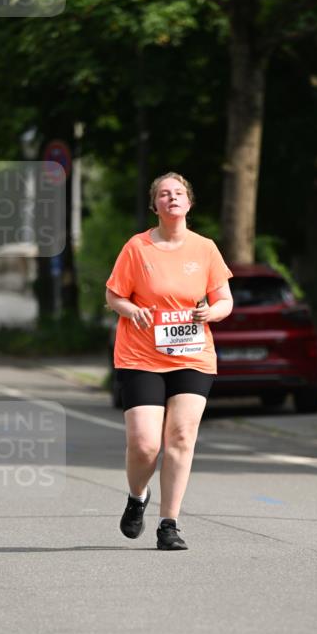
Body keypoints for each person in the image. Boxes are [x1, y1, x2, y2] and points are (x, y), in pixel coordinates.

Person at [105, 172, 233, 551]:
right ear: (155, 205)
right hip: (141, 355)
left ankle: (169, 523)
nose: (172, 198)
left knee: (180, 437)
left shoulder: (205, 248)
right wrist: (132, 310)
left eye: (178, 193)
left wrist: (212, 313)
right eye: (164, 193)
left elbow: (224, 300)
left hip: (192, 355)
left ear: (189, 203)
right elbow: (114, 296)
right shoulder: (137, 247)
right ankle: (137, 496)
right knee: (145, 444)